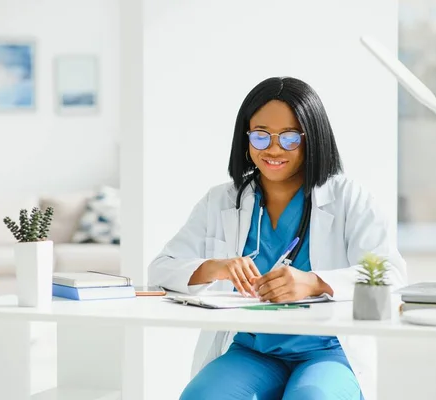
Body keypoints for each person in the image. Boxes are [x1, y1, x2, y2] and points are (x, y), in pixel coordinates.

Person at [148, 76, 407, 400]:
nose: (272, 149)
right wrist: (215, 267)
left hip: (327, 351)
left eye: (288, 138)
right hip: (252, 351)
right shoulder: (222, 201)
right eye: (260, 136)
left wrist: (315, 282)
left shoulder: (348, 198)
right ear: (246, 139)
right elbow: (159, 270)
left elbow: (390, 276)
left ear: (311, 138)